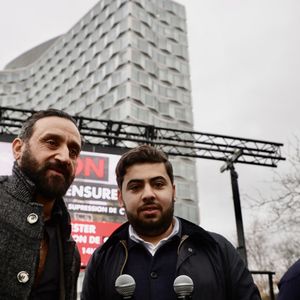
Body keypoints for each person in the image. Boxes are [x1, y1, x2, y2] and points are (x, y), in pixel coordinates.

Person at [81, 144, 261, 300]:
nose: (149, 194)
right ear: (120, 197)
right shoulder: (101, 260)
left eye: (158, 184)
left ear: (173, 191)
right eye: (135, 187)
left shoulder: (219, 250)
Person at [0, 109, 82, 300]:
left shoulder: (71, 253)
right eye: (52, 142)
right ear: (18, 149)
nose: (64, 157)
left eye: (73, 151)